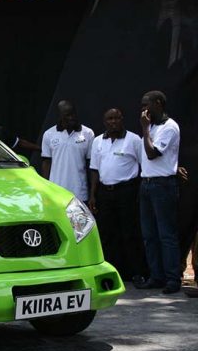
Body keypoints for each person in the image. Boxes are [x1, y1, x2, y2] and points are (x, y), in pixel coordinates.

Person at [88, 108, 148, 281]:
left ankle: (136, 273)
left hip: (126, 191)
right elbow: (94, 170)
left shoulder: (134, 140)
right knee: (107, 233)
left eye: (116, 118)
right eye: (110, 119)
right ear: (104, 121)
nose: (113, 122)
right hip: (105, 192)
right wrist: (93, 195)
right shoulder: (98, 141)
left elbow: (144, 164)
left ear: (122, 119)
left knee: (129, 232)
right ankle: (112, 272)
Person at [136, 90, 181, 294]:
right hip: (146, 183)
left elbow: (152, 153)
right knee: (149, 235)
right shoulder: (152, 125)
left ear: (159, 103)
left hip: (162, 185)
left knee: (166, 234)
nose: (143, 110)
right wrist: (147, 128)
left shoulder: (169, 127)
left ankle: (172, 279)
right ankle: (156, 276)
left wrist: (145, 130)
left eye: (147, 105)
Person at [41, 100, 94, 203]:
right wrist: (45, 189)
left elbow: (91, 164)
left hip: (79, 193)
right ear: (60, 116)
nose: (71, 117)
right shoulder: (49, 134)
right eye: (67, 115)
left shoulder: (88, 133)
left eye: (73, 114)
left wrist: (92, 194)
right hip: (55, 192)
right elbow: (46, 163)